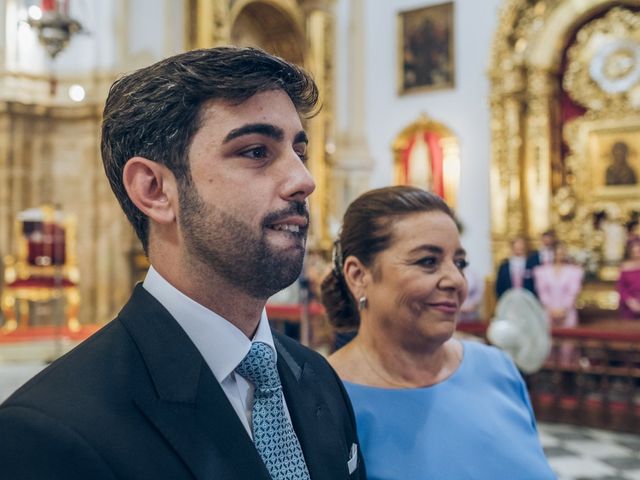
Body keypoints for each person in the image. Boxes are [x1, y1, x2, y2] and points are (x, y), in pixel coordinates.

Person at [0, 47, 365, 480]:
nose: (304, 180)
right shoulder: (48, 432)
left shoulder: (316, 376)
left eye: (298, 152)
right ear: (154, 189)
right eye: (255, 151)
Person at [321, 185, 554, 480]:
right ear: (359, 276)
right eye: (428, 262)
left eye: (460, 263)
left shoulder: (497, 368)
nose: (456, 280)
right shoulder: (322, 399)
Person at [532, 241, 584, 364]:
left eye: (562, 251)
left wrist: (563, 310)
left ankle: (566, 376)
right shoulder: (542, 271)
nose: (560, 254)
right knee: (548, 346)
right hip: (548, 313)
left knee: (567, 348)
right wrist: (551, 309)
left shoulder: (574, 271)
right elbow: (542, 292)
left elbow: (572, 292)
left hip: (567, 313)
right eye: (557, 251)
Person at [525, 229, 556, 295]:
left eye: (549, 238)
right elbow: (528, 274)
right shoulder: (533, 256)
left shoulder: (556, 255)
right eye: (545, 238)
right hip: (538, 290)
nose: (547, 240)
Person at [617, 237, 640, 319]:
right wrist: (630, 302)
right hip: (629, 306)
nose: (637, 253)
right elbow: (621, 288)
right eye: (635, 251)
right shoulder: (624, 267)